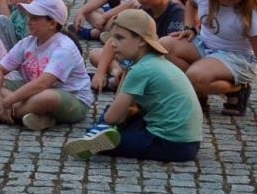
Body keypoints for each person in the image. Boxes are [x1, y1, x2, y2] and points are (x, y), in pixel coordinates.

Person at [65, 9, 203, 162]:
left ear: (141, 41)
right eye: (112, 37)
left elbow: (113, 117)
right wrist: (125, 70)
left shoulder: (141, 70)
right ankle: (99, 133)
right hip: (189, 143)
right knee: (124, 118)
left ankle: (94, 133)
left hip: (171, 144)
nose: (113, 44)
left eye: (119, 38)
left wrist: (126, 73)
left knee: (111, 130)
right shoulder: (155, 61)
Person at [165, 0, 257, 117]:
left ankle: (238, 89)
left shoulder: (251, 15)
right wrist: (190, 27)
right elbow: (191, 3)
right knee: (164, 46)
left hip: (238, 57)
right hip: (206, 45)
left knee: (196, 75)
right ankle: (198, 92)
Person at [0, 0, 92, 129]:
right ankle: (40, 116)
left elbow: (42, 84)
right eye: (29, 17)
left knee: (47, 97)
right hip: (35, 94)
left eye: (35, 18)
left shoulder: (64, 48)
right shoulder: (27, 43)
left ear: (52, 24)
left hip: (73, 99)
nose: (29, 22)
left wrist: (6, 103)